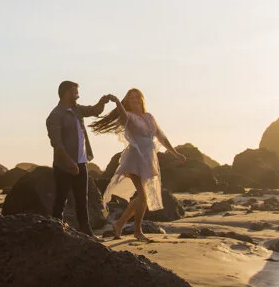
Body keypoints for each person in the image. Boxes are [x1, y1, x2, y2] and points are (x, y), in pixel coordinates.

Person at [93, 88, 185, 241]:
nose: (134, 100)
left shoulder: (149, 117)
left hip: (148, 160)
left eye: (137, 97)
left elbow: (161, 137)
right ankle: (137, 231)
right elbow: (123, 116)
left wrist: (176, 153)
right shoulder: (128, 116)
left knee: (143, 197)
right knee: (143, 196)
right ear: (127, 102)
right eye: (131, 98)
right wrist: (117, 102)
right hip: (134, 159)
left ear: (142, 99)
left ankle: (119, 224)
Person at [46, 80, 112, 237]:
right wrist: (70, 163)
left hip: (81, 162)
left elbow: (95, 110)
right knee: (61, 200)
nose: (78, 95)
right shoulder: (55, 115)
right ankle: (56, 233)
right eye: (75, 92)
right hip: (64, 165)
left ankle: (87, 232)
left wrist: (102, 102)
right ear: (67, 93)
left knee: (82, 200)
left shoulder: (76, 109)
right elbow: (57, 144)